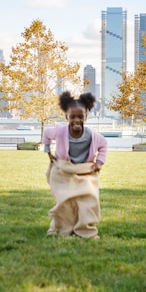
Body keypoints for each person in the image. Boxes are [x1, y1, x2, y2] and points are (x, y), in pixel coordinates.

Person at [42, 91, 107, 239]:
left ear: (86, 117)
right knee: (64, 200)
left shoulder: (91, 135)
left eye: (80, 116)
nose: (76, 120)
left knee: (88, 199)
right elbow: (46, 134)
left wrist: (99, 162)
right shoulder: (59, 131)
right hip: (63, 169)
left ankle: (84, 229)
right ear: (66, 117)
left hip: (85, 170)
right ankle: (62, 227)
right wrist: (48, 152)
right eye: (72, 117)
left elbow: (103, 144)